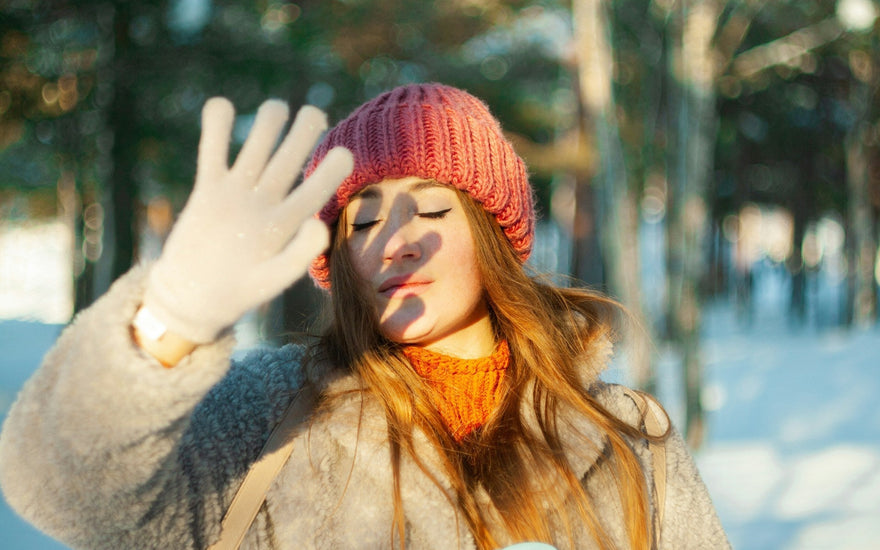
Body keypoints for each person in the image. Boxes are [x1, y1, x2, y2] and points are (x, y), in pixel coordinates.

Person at [0, 83, 729, 550]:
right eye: (361, 220)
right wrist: (167, 320)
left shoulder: (632, 442)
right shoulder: (269, 415)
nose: (394, 240)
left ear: (495, 236)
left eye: (434, 206)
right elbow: (54, 487)